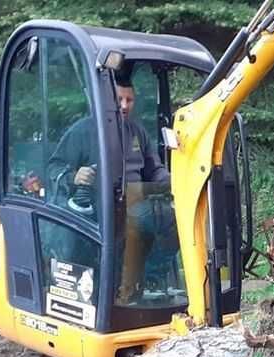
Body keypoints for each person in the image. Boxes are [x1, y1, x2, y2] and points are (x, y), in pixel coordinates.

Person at [46, 76, 177, 304]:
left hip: (135, 203)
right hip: (98, 210)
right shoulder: (83, 130)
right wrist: (73, 176)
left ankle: (148, 281)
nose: (125, 105)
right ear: (108, 100)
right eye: (120, 99)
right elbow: (54, 167)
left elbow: (154, 168)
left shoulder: (137, 132)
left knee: (174, 220)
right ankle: (115, 291)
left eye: (130, 100)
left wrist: (172, 180)